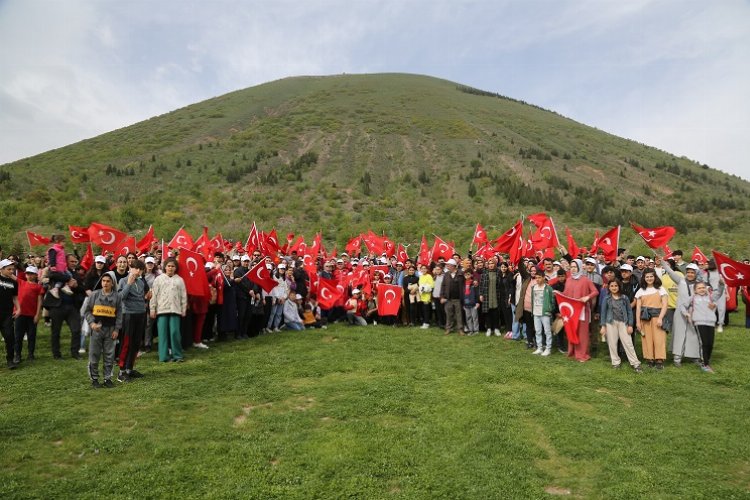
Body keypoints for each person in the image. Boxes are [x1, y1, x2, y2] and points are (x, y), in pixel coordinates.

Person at [84, 272, 122, 388]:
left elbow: (119, 314)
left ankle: (107, 379)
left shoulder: (117, 297)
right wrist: (92, 324)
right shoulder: (94, 295)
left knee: (109, 355)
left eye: (108, 281)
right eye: (103, 281)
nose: (105, 283)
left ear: (112, 283)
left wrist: (116, 329)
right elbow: (87, 311)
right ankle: (94, 379)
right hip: (96, 331)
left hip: (110, 330)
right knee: (94, 355)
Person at [681, 279, 725, 373]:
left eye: (703, 287)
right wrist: (686, 313)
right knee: (704, 343)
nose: (702, 289)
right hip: (699, 323)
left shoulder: (710, 297)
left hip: (711, 322)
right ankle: (704, 364)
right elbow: (683, 306)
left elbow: (719, 293)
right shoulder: (692, 298)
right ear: (695, 290)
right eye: (699, 288)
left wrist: (721, 284)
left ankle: (706, 361)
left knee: (710, 344)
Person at [116, 259, 149, 382]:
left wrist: (146, 298)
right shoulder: (123, 281)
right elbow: (120, 298)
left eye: (141, 269)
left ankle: (130, 368)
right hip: (128, 315)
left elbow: (142, 297)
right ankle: (121, 371)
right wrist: (129, 284)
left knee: (136, 343)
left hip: (140, 314)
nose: (139, 271)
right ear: (131, 268)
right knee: (126, 343)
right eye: (136, 268)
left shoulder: (141, 282)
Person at [150, 258, 188, 362]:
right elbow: (154, 295)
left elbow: (183, 296)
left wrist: (183, 308)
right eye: (168, 266)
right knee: (162, 334)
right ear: (165, 267)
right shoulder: (159, 279)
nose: (170, 268)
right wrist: (152, 309)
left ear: (176, 268)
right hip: (162, 310)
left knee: (175, 332)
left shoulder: (179, 280)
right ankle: (164, 357)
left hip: (175, 310)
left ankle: (177, 355)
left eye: (173, 266)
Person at [600, 279, 642, 373]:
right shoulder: (606, 299)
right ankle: (615, 362)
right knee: (612, 343)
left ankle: (635, 363)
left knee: (628, 343)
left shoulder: (624, 298)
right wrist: (603, 326)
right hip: (611, 323)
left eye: (616, 286)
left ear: (619, 286)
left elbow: (629, 312)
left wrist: (630, 325)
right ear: (609, 287)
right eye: (612, 286)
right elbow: (603, 313)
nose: (614, 288)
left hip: (624, 323)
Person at [562, 259, 599, 362]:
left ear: (579, 267)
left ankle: (582, 354)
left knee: (583, 333)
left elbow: (595, 291)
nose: (573, 269)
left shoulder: (585, 280)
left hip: (582, 310)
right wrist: (558, 293)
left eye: (575, 267)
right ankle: (572, 351)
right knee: (572, 330)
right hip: (571, 311)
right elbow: (565, 293)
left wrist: (587, 297)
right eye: (571, 267)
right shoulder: (569, 279)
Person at [635, 269, 668, 370]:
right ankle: (650, 359)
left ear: (655, 277)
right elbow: (638, 308)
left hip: (657, 317)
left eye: (651, 276)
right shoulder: (641, 291)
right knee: (647, 339)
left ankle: (659, 359)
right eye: (647, 277)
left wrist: (660, 318)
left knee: (659, 339)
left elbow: (665, 305)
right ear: (644, 278)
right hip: (645, 318)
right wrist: (638, 322)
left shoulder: (661, 289)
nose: (649, 278)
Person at [14, 265, 44, 364]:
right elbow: (10, 275)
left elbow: (40, 301)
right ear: (25, 274)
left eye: (32, 274)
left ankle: (31, 354)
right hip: (20, 314)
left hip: (31, 315)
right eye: (28, 273)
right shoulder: (21, 282)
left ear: (36, 275)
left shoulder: (38, 287)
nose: (29, 276)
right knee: (18, 335)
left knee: (32, 335)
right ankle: (17, 354)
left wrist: (37, 314)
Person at [0, 259, 19, 370]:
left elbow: (15, 297)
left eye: (12, 269)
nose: (11, 271)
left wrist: (18, 308)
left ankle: (10, 360)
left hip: (7, 314)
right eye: (9, 269)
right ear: (1, 269)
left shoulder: (13, 282)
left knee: (9, 337)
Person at [530, 271, 554, 356]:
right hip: (536, 313)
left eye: (539, 277)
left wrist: (550, 309)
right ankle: (539, 347)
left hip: (545, 313)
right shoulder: (533, 288)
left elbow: (552, 300)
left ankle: (548, 348)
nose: (538, 279)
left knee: (547, 331)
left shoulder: (548, 288)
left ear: (544, 277)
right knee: (538, 331)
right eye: (536, 278)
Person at [440, 259, 464, 335]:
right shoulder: (446, 274)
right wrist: (442, 297)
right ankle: (448, 328)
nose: (447, 266)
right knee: (448, 314)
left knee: (459, 315)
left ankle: (460, 329)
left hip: (458, 298)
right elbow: (443, 286)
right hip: (448, 298)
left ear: (453, 266)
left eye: (449, 265)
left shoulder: (461, 274)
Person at [479, 258, 503, 337]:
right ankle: (489, 328)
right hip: (487, 295)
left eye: (492, 263)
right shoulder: (484, 273)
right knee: (488, 313)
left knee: (496, 313)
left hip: (496, 296)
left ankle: (496, 328)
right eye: (489, 264)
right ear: (487, 265)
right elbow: (481, 285)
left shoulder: (498, 273)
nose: (491, 265)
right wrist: (481, 294)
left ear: (495, 264)